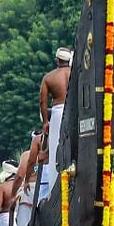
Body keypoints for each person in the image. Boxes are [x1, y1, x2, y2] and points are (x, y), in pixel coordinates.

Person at [39, 47, 72, 187]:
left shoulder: (49, 77)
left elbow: (43, 101)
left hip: (58, 112)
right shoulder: (75, 74)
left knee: (54, 150)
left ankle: (54, 186)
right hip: (73, 111)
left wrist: (46, 121)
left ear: (57, 60)